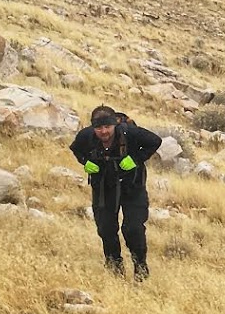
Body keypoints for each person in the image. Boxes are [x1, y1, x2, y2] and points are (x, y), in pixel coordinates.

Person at [69, 105, 162, 279]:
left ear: (115, 125)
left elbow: (155, 141)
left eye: (107, 127)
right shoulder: (86, 136)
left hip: (132, 186)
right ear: (93, 127)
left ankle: (140, 268)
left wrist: (135, 159)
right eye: (98, 127)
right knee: (106, 228)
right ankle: (114, 269)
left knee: (133, 228)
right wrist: (85, 161)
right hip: (104, 189)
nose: (103, 131)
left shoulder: (130, 133)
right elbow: (76, 149)